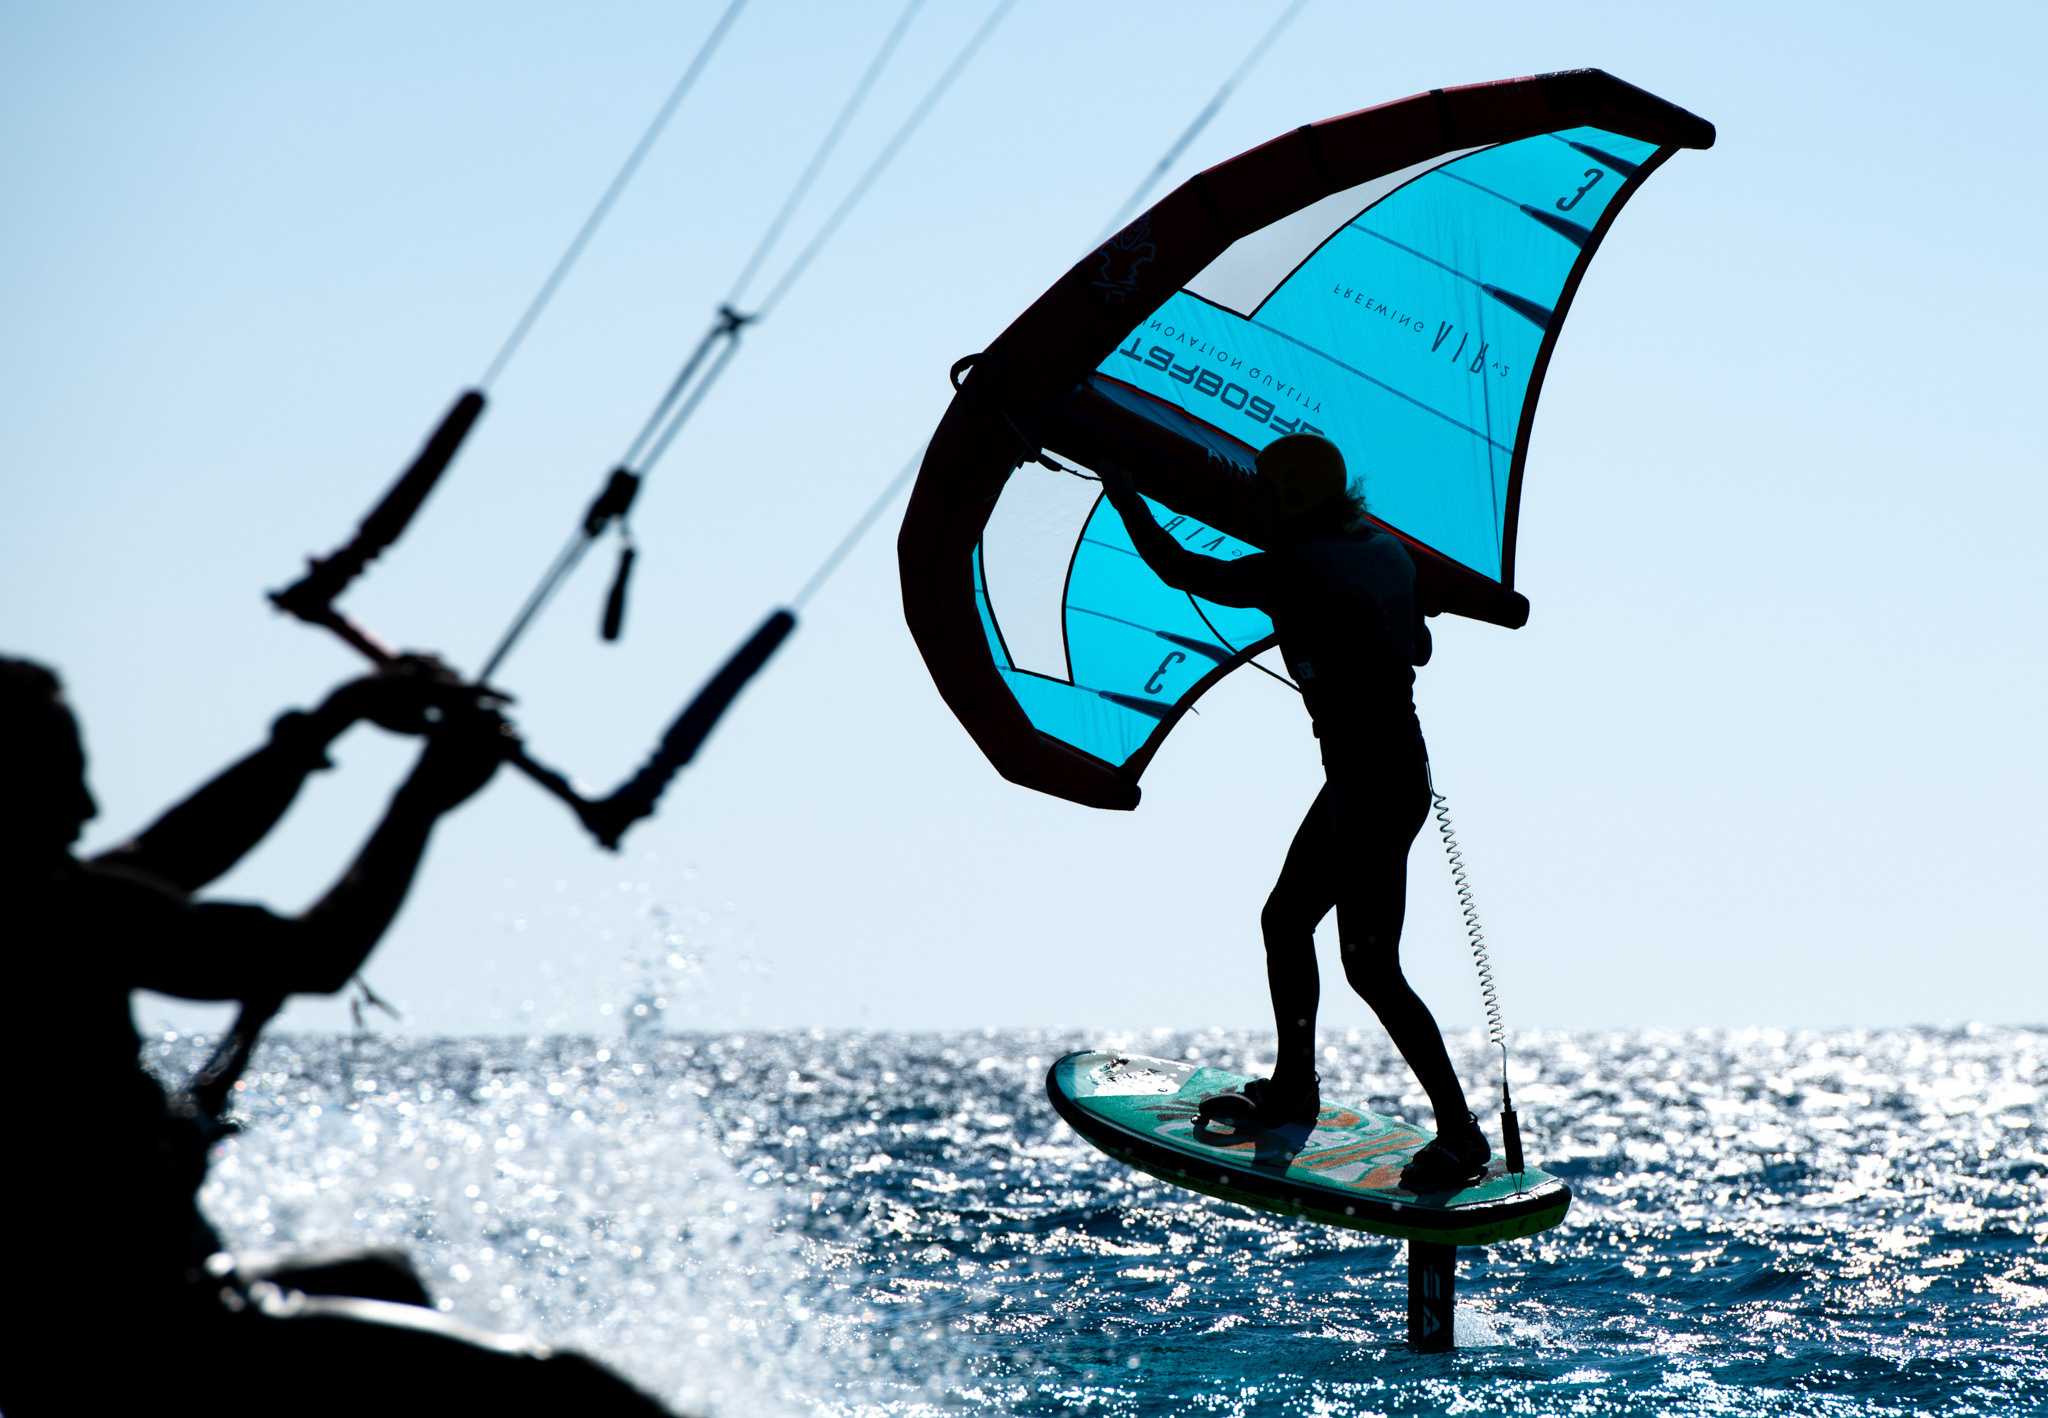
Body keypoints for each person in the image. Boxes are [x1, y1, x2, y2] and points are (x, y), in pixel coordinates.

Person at [0, 655, 671, 1415]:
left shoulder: (42, 897)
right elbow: (316, 956)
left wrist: (333, 719)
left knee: (379, 1275)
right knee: (574, 1395)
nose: (90, 805)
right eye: (64, 777)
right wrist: (418, 804)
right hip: (149, 1344)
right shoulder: (58, 917)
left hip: (97, 1326)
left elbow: (166, 855)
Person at [1096, 433, 1491, 1192]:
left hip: (1373, 780)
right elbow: (1420, 645)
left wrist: (1123, 491)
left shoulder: (1296, 570)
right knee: (1286, 921)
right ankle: (1295, 1087)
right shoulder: (1385, 552)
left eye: (1268, 499)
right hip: (1381, 774)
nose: (1261, 512)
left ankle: (1460, 1133)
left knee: (1370, 966)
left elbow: (1184, 571)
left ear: (1294, 501)